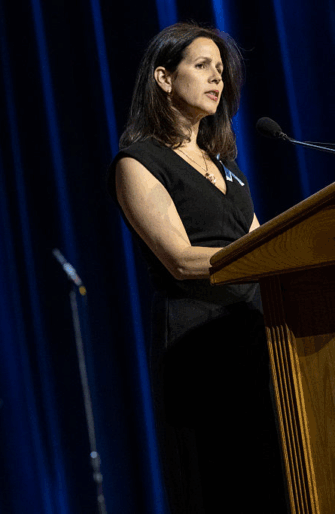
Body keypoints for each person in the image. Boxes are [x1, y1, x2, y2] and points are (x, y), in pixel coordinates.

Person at [108, 23, 287, 513]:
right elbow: (182, 259)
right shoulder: (138, 162)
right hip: (198, 339)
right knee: (221, 479)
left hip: (254, 330)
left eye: (221, 71)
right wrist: (270, 258)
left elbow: (263, 242)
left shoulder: (225, 165)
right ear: (164, 78)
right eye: (202, 66)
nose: (218, 79)